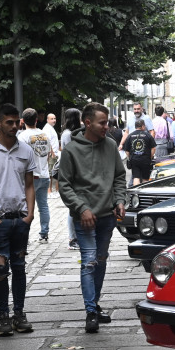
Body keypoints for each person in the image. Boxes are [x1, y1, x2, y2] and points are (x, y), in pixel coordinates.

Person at [57, 103, 126, 333]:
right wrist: (81, 208)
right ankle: (90, 311)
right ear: (88, 123)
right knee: (89, 261)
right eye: (102, 123)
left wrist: (119, 200)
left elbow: (119, 176)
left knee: (101, 261)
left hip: (107, 215)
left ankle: (94, 305)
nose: (107, 126)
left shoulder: (111, 146)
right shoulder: (71, 151)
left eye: (107, 122)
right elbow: (64, 185)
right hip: (85, 217)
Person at [0, 103, 36, 337]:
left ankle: (19, 314)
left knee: (20, 268)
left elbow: (30, 184)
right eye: (9, 122)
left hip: (20, 219)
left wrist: (30, 215)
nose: (14, 126)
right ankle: (3, 316)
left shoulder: (26, 150)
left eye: (17, 122)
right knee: (0, 269)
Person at [18, 108, 52, 242]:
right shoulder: (45, 135)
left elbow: (21, 158)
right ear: (37, 120)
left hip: (31, 177)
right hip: (44, 174)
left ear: (22, 121)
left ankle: (23, 235)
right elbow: (48, 154)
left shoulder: (22, 137)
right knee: (43, 206)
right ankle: (44, 233)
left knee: (25, 208)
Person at [60, 108, 83, 250]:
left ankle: (75, 236)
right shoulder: (69, 134)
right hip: (72, 171)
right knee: (72, 207)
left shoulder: (69, 133)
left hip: (74, 170)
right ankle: (72, 238)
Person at [125, 119, 156, 186]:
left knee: (136, 178)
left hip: (134, 159)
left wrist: (130, 157)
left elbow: (127, 151)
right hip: (145, 160)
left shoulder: (130, 136)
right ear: (143, 126)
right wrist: (150, 157)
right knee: (145, 178)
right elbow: (153, 148)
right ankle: (144, 194)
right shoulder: (148, 135)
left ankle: (136, 194)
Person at [42, 113, 60, 194]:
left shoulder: (51, 128)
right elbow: (47, 141)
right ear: (47, 120)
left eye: (54, 118)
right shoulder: (47, 128)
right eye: (52, 119)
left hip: (54, 153)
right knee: (49, 172)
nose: (54, 120)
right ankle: (48, 190)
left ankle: (50, 190)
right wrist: (52, 153)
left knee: (51, 171)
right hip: (50, 154)